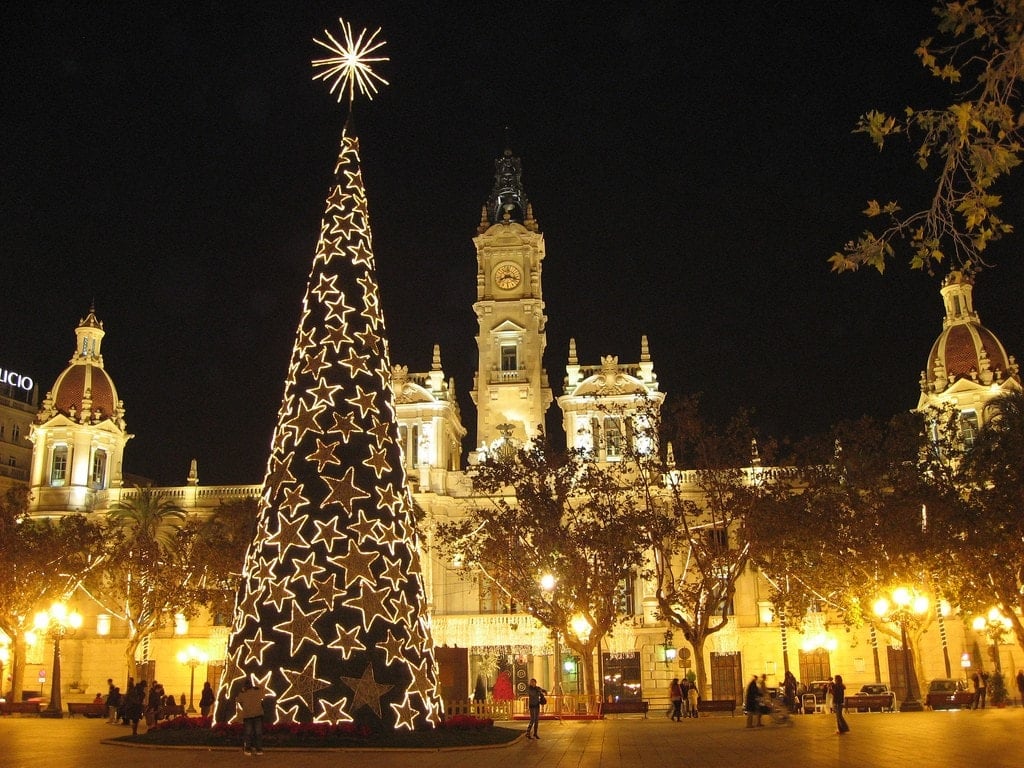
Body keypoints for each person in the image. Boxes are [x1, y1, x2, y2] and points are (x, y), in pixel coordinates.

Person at [235, 679, 267, 756]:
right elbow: (263, 694)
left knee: (248, 733)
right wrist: (259, 687)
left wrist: (242, 692)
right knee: (258, 732)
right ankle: (258, 748)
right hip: (257, 714)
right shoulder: (257, 691)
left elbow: (237, 700)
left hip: (248, 715)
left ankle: (248, 748)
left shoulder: (243, 693)